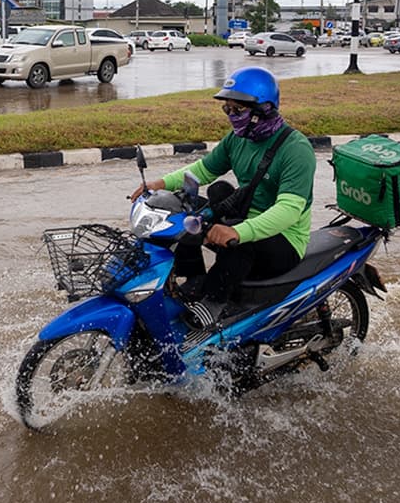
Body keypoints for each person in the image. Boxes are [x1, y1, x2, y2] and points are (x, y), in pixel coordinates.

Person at [129, 66, 316, 327]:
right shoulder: (239, 138)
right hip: (247, 214)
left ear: (264, 109)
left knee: (242, 245)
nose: (231, 116)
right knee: (187, 212)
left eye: (237, 110)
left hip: (285, 238)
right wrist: (159, 184)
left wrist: (239, 232)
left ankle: (214, 301)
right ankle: (193, 280)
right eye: (226, 109)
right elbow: (203, 170)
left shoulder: (296, 150)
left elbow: (289, 210)